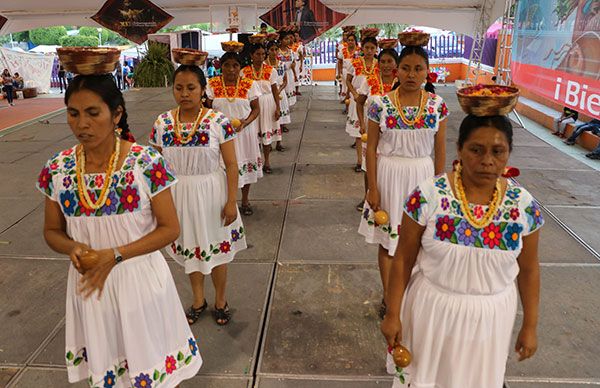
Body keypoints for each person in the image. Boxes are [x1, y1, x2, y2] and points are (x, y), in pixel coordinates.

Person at [36, 72, 202, 387]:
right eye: (73, 113)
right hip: (91, 284)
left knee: (148, 369)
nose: (81, 123)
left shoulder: (145, 163)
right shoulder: (56, 169)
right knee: (109, 370)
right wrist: (74, 248)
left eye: (92, 113)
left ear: (117, 114)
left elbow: (170, 229)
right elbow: (52, 231)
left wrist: (114, 255)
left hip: (138, 281)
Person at [381, 114, 543, 388]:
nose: (487, 161)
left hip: (490, 320)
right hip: (432, 312)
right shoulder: (428, 196)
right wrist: (392, 313)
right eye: (476, 150)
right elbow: (404, 259)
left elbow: (528, 270)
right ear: (460, 149)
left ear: (509, 153)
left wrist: (530, 326)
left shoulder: (524, 207)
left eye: (497, 151)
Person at [150, 62, 246, 326]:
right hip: (178, 196)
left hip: (212, 194)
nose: (184, 93)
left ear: (203, 90)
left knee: (217, 250)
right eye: (179, 88)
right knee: (191, 249)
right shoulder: (162, 123)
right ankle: (198, 300)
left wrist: (231, 201)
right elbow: (156, 166)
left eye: (191, 87)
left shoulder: (218, 121)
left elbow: (231, 164)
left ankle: (221, 300)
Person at [358, 44, 448, 319]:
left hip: (422, 177)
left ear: (427, 72)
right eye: (406, 68)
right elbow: (371, 149)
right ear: (397, 70)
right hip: (389, 176)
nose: (411, 74)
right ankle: (390, 298)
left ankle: (412, 294)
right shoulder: (380, 104)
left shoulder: (437, 106)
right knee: (388, 242)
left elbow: (441, 151)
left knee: (419, 243)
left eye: (418, 68)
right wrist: (372, 188)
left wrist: (440, 191)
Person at [205, 51, 263, 216]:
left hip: (244, 133)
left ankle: (245, 200)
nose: (231, 69)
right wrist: (218, 125)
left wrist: (245, 122)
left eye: (235, 65)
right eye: (227, 65)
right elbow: (207, 109)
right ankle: (226, 201)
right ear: (220, 67)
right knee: (221, 168)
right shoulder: (212, 84)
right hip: (219, 136)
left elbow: (256, 109)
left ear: (240, 67)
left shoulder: (249, 84)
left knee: (244, 167)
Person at [355, 48, 399, 211]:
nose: (386, 65)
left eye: (390, 61)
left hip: (394, 133)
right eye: (383, 61)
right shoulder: (369, 81)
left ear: (397, 63)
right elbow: (359, 103)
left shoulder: (401, 82)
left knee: (391, 164)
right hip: (372, 133)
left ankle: (390, 198)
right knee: (369, 165)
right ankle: (367, 196)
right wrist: (362, 123)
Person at [242, 43, 282, 174]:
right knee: (253, 133)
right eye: (257, 54)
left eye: (262, 54)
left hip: (267, 102)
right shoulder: (244, 71)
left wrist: (278, 108)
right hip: (251, 104)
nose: (260, 57)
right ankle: (255, 161)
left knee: (266, 131)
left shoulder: (271, 70)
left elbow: (275, 90)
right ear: (251, 55)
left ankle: (267, 161)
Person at [346, 36, 379, 172]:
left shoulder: (380, 64)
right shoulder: (354, 63)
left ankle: (372, 159)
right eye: (367, 48)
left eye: (372, 48)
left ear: (376, 49)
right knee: (360, 133)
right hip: (358, 101)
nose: (369, 51)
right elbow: (348, 80)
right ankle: (360, 161)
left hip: (374, 102)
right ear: (362, 48)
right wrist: (354, 93)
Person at [267, 39, 292, 140]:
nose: (274, 52)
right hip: (269, 93)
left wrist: (280, 89)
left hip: (280, 92)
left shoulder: (282, 64)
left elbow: (285, 81)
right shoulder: (265, 65)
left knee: (280, 114)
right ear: (267, 51)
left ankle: (279, 140)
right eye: (271, 49)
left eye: (276, 49)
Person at [337, 32, 360, 113]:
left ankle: (355, 108)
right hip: (345, 72)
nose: (350, 42)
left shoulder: (359, 51)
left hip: (356, 73)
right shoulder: (343, 51)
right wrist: (339, 73)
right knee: (346, 89)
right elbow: (340, 62)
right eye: (349, 40)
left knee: (354, 90)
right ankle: (347, 108)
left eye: (352, 40)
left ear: (355, 41)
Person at [278, 31, 298, 107]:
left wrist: (295, 74)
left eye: (289, 39)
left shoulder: (291, 51)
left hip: (289, 74)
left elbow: (293, 63)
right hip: (280, 75)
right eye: (286, 39)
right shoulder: (277, 51)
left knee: (289, 89)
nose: (288, 40)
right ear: (280, 40)